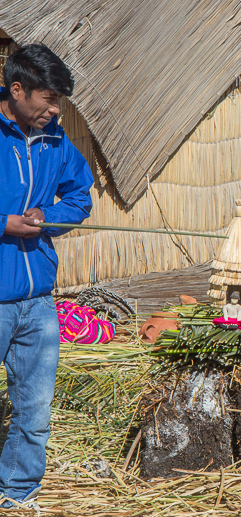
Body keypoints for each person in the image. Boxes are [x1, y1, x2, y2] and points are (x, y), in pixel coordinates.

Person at [0, 44, 93, 508]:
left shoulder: (56, 141)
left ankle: (18, 496)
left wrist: (48, 215)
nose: (55, 110)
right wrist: (3, 223)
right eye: (48, 99)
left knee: (34, 410)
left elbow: (80, 197)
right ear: (17, 90)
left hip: (38, 300)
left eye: (59, 102)